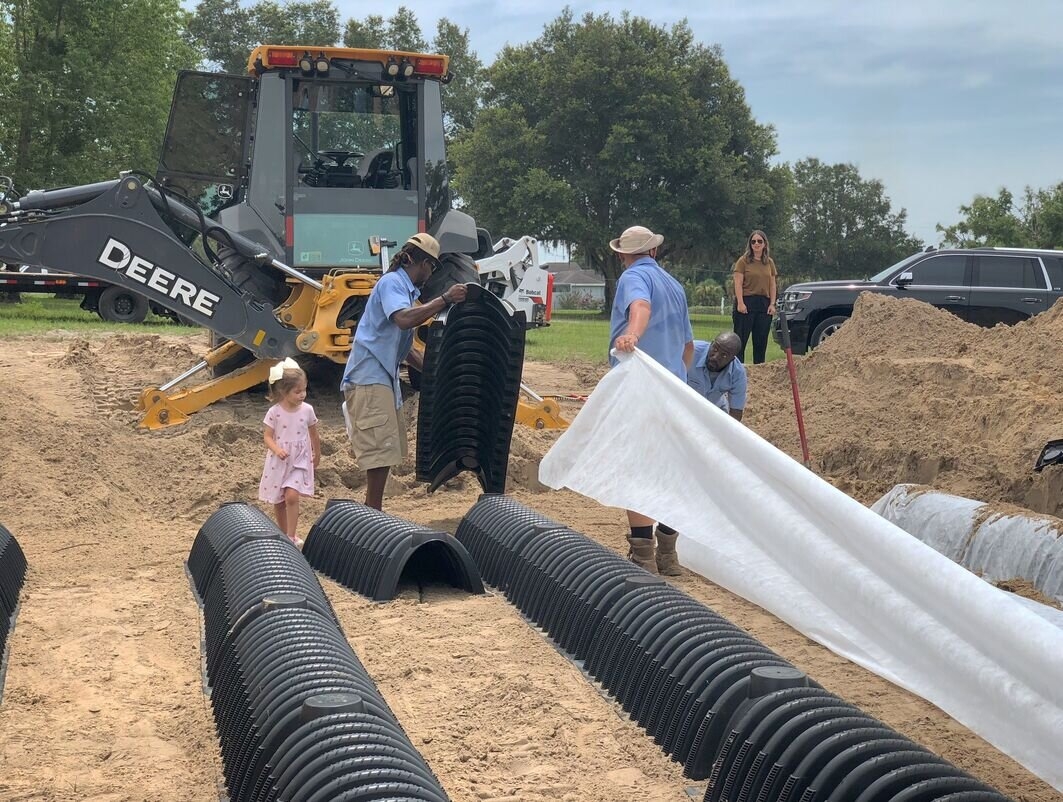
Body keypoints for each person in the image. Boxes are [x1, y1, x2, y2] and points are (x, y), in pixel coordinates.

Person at [341, 233, 467, 510]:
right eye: (431, 267)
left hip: (381, 378)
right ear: (421, 263)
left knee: (387, 449)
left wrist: (437, 374)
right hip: (368, 379)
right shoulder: (392, 283)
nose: (431, 274)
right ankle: (372, 512)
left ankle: (373, 510)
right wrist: (445, 299)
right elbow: (402, 320)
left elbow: (406, 350)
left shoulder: (404, 291)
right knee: (380, 452)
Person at [609, 225, 693, 576]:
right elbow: (688, 347)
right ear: (654, 251)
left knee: (638, 468)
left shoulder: (633, 277)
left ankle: (644, 555)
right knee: (670, 469)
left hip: (641, 390)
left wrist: (632, 335)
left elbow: (640, 306)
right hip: (673, 391)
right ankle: (669, 555)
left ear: (623, 255)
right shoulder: (675, 286)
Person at [259, 357, 320, 547]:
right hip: (279, 461)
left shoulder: (307, 410)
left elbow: (314, 434)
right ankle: (284, 533)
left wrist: (317, 453)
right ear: (283, 392)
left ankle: (292, 536)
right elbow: (267, 437)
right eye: (297, 391)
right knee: (279, 501)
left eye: (304, 390)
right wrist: (277, 450)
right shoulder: (274, 412)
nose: (303, 395)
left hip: (299, 460)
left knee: (291, 496)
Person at [732, 229, 777, 364]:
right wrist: (740, 303)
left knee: (761, 341)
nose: (756, 244)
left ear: (764, 244)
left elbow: (772, 284)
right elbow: (738, 283)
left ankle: (759, 370)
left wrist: (772, 304)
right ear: (750, 244)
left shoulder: (769, 262)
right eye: (753, 241)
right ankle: (738, 369)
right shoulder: (743, 261)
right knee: (740, 341)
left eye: (759, 241)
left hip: (764, 304)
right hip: (746, 302)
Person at [687, 331, 747, 422]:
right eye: (715, 349)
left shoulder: (738, 373)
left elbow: (736, 412)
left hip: (714, 409)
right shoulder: (690, 351)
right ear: (711, 344)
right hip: (684, 405)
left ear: (732, 359)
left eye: (724, 355)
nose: (715, 357)